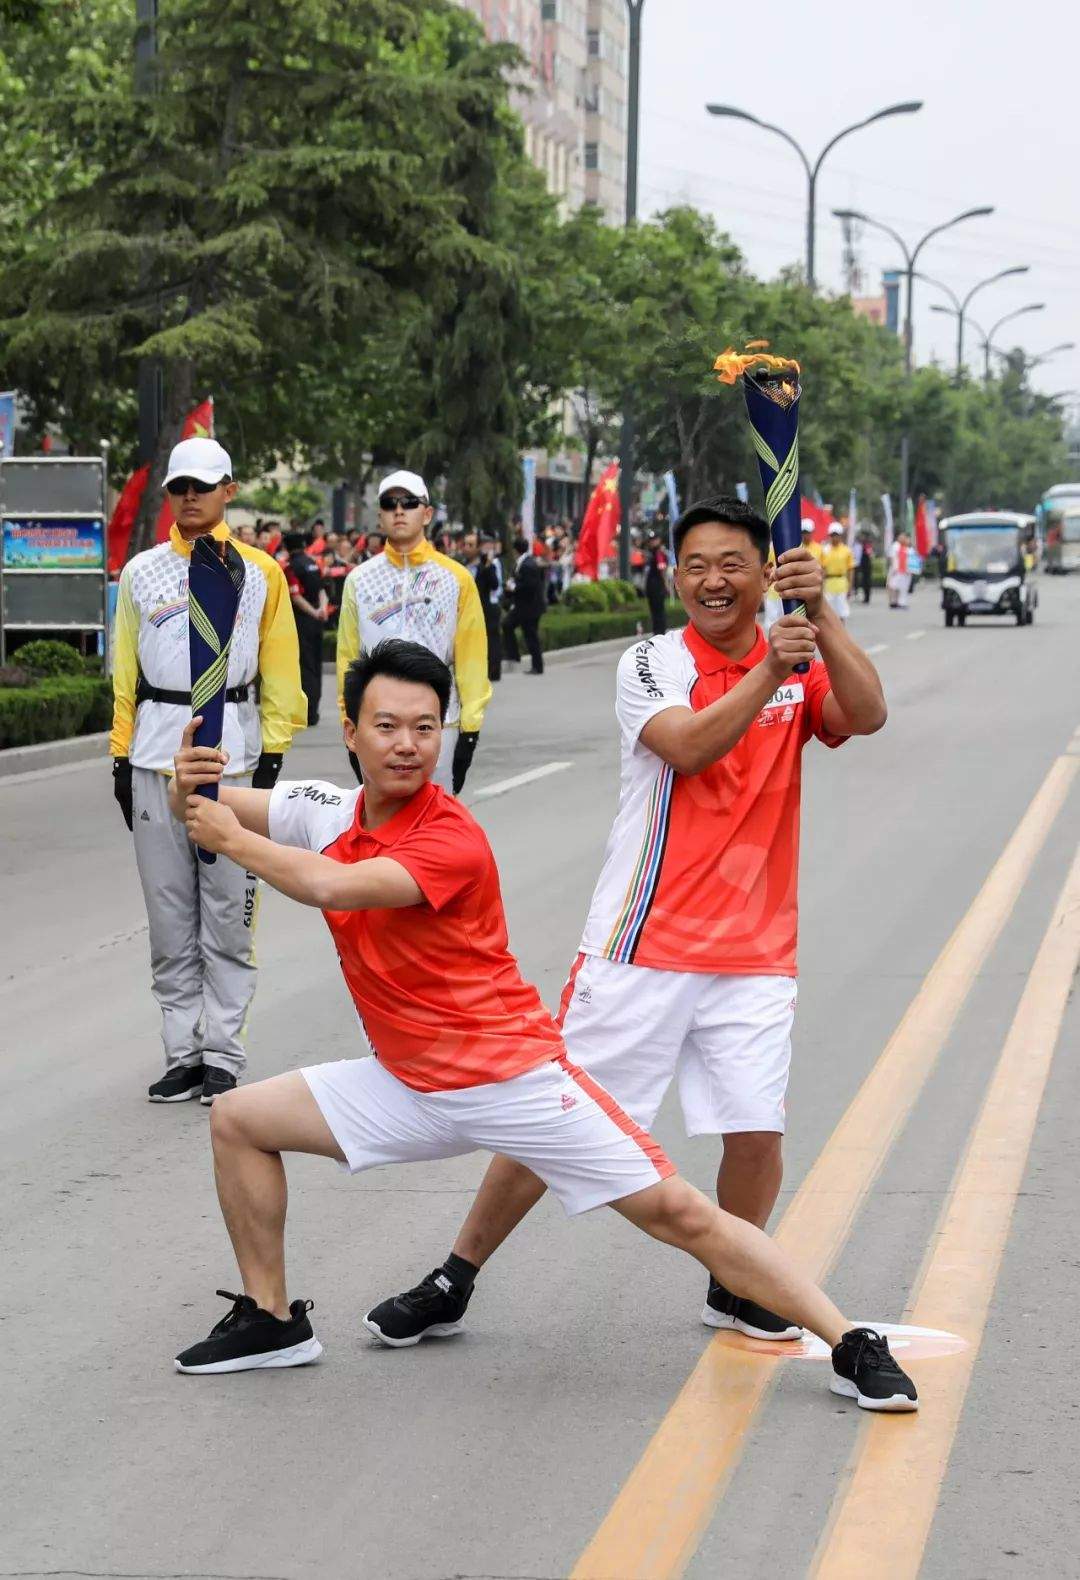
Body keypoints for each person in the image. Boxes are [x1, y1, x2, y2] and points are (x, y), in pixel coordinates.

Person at [168, 638, 916, 1413]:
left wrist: (231, 838)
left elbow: (336, 886)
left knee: (680, 1213)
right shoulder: (325, 809)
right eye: (387, 726)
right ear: (350, 734)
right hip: (407, 1082)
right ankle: (272, 1318)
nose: (406, 745)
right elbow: (211, 809)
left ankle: (850, 1340)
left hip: (512, 1081)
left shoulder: (449, 838)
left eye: (426, 728)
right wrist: (189, 783)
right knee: (239, 1119)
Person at [370, 496, 896, 1360]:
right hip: (640, 948)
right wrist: (772, 671)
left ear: (768, 573)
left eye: (734, 563)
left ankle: (737, 1284)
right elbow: (687, 747)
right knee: (556, 1118)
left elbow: (867, 713)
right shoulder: (651, 661)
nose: (713, 580)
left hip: (755, 949)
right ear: (674, 574)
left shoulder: (800, 656)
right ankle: (453, 1277)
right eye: (696, 565)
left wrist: (823, 615)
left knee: (756, 1132)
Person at [110, 436, 306, 1107]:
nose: (189, 497)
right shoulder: (140, 574)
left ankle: (222, 1052)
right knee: (168, 914)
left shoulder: (260, 573)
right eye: (179, 487)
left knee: (228, 915)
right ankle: (182, 1052)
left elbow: (280, 665)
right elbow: (125, 672)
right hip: (155, 758)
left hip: (235, 756)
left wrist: (274, 752)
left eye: (203, 485)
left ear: (228, 489)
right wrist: (120, 752)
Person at [335, 470, 490, 794]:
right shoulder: (360, 579)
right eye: (390, 504)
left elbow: (472, 658)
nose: (400, 511)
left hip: (437, 721)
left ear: (427, 513)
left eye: (409, 502)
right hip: (379, 721)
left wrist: (470, 731)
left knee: (435, 820)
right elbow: (348, 658)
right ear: (380, 515)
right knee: (382, 817)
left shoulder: (455, 578)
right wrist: (349, 719)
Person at [284, 530, 327, 727]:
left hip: (302, 620)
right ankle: (314, 711)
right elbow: (321, 590)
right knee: (316, 666)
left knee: (305, 667)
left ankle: (307, 713)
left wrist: (312, 612)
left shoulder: (291, 567)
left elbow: (296, 596)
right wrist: (321, 610)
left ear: (286, 547)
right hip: (317, 620)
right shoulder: (313, 564)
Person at [503, 533, 546, 675]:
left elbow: (529, 585)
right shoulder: (524, 562)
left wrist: (514, 587)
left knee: (531, 636)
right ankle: (513, 654)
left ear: (516, 550)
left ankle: (537, 666)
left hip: (530, 608)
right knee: (507, 624)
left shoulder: (527, 564)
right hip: (523, 606)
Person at [821, 523, 855, 624]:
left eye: (836, 535)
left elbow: (850, 570)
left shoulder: (847, 550)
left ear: (840, 536)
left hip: (841, 583)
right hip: (828, 583)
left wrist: (850, 587)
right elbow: (822, 569)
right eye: (832, 535)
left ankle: (841, 636)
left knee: (842, 612)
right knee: (828, 613)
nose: (834, 537)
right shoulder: (825, 550)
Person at [644, 529, 671, 635]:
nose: (652, 542)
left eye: (654, 540)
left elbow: (662, 569)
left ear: (659, 540)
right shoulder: (652, 552)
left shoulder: (659, 552)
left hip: (657, 586)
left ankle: (660, 633)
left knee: (658, 611)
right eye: (651, 540)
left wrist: (666, 585)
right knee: (654, 611)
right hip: (652, 586)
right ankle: (657, 632)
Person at [888, 533, 912, 609]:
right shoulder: (895, 546)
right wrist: (894, 568)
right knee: (892, 586)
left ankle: (901, 602)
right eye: (901, 537)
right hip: (896, 570)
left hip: (905, 571)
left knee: (903, 587)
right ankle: (892, 602)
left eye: (904, 538)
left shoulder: (908, 549)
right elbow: (892, 558)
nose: (903, 539)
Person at [856, 530, 875, 605]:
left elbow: (870, 554)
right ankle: (865, 597)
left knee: (867, 582)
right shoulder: (862, 544)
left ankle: (867, 598)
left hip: (867, 565)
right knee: (864, 582)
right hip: (863, 565)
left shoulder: (867, 544)